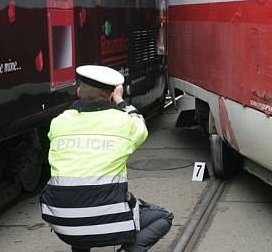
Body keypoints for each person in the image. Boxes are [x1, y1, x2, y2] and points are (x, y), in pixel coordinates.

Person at [40, 65, 173, 252]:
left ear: (79, 91)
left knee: (78, 199)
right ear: (111, 95)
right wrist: (120, 100)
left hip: (62, 222)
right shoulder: (123, 123)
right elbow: (140, 126)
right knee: (162, 218)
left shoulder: (58, 122)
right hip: (110, 220)